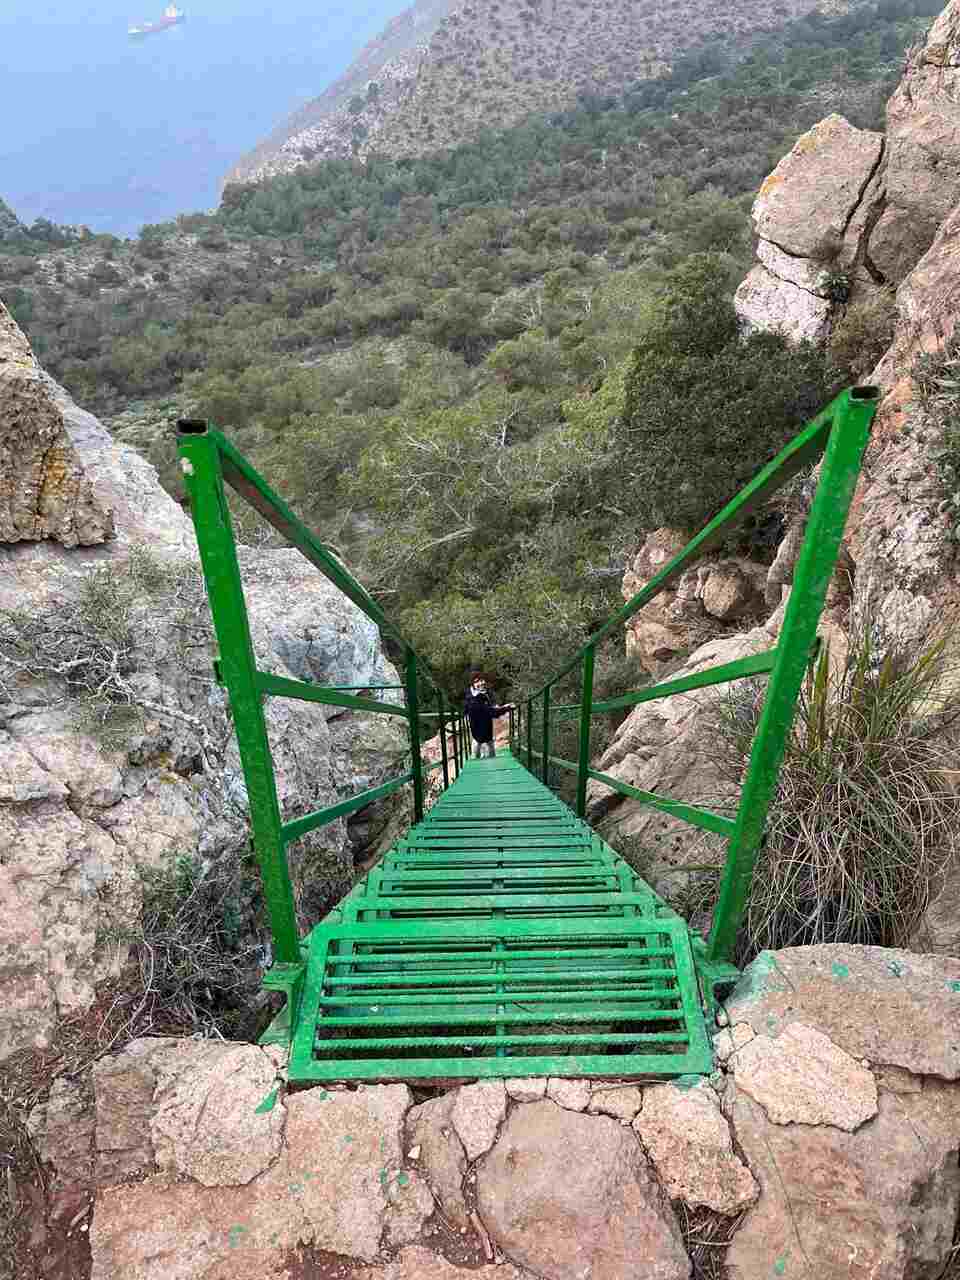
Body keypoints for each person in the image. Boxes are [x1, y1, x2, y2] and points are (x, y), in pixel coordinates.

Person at [464, 675, 515, 760]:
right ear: (473, 684)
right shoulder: (474, 698)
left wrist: (502, 707)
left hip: (484, 732)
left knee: (486, 756)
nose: (481, 683)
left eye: (482, 680)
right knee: (479, 759)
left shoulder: (480, 695)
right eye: (477, 681)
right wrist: (507, 708)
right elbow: (491, 712)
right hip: (480, 736)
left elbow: (488, 709)